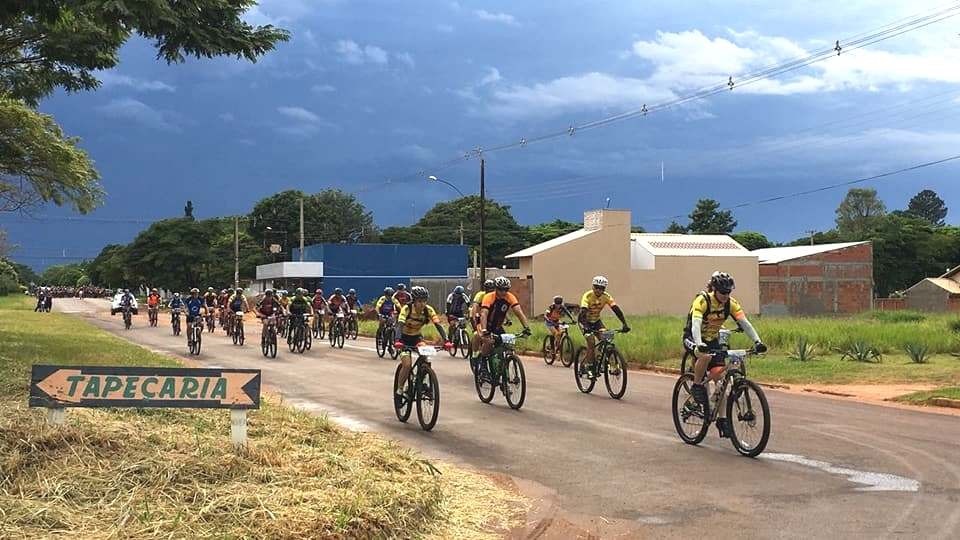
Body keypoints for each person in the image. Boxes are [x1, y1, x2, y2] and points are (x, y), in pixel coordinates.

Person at [683, 271, 766, 436]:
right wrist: (699, 344)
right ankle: (697, 385)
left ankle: (722, 419)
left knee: (721, 382)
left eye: (728, 292)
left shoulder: (731, 303)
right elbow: (695, 324)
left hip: (713, 339)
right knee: (705, 356)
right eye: (722, 292)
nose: (725, 296)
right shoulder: (703, 300)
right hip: (694, 337)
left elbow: (745, 323)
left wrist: (758, 341)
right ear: (714, 289)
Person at [393, 286, 449, 396]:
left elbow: (438, 325)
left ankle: (422, 381)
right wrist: (397, 340)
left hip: (416, 338)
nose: (422, 304)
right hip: (403, 338)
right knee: (407, 365)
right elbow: (400, 325)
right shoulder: (407, 309)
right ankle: (400, 389)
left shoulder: (428, 310)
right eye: (419, 301)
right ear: (414, 301)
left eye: (424, 301)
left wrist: (446, 340)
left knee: (426, 357)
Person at [477, 277, 531, 378]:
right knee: (489, 342)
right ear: (496, 289)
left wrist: (526, 328)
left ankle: (501, 364)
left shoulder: (510, 297)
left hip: (497, 326)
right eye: (501, 289)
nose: (503, 292)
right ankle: (483, 363)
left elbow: (519, 312)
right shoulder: (489, 297)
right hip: (485, 324)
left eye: (506, 289)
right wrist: (484, 330)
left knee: (507, 343)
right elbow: (484, 314)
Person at [578, 276, 630, 375]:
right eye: (597, 287)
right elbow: (583, 313)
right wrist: (586, 327)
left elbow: (616, 310)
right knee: (591, 342)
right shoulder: (587, 296)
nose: (599, 290)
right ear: (593, 287)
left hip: (596, 321)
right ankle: (588, 365)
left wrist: (624, 324)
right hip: (584, 321)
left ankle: (610, 365)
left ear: (604, 289)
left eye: (601, 288)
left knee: (606, 338)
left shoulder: (606, 297)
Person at [469, 279, 495, 354]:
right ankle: (475, 353)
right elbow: (475, 306)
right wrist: (474, 317)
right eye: (488, 289)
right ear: (485, 289)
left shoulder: (495, 296)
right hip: (478, 315)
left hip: (489, 317)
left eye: (492, 289)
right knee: (477, 334)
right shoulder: (480, 295)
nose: (490, 291)